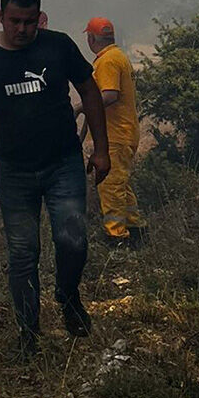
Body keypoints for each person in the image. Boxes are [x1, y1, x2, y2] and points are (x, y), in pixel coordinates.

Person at [0, 0, 111, 358]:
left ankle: (68, 298)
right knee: (23, 254)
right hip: (14, 171)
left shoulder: (59, 45)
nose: (22, 29)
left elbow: (89, 91)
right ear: (1, 17)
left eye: (30, 21)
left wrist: (101, 150)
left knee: (73, 240)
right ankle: (28, 334)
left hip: (62, 164)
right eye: (15, 21)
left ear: (40, 17)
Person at [80, 17, 147, 244]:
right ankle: (136, 230)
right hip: (124, 132)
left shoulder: (107, 61)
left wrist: (80, 107)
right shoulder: (117, 56)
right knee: (121, 185)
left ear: (91, 38)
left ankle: (117, 236)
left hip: (116, 135)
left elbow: (109, 95)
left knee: (110, 186)